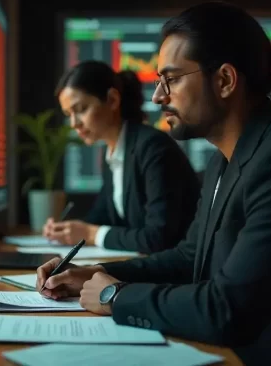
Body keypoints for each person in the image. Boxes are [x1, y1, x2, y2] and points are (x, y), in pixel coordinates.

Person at [36, 2, 271, 366]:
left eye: (172, 79)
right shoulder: (225, 159)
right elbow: (190, 257)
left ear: (225, 80)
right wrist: (98, 274)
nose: (157, 96)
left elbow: (229, 310)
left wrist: (115, 296)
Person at [43, 60, 200, 254]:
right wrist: (66, 230)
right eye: (69, 114)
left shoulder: (153, 148)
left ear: (112, 100)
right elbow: (100, 218)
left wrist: (91, 234)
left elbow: (159, 237)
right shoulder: (115, 151)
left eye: (81, 109)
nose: (74, 123)